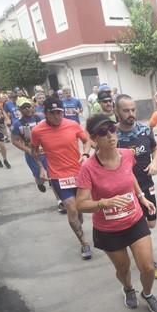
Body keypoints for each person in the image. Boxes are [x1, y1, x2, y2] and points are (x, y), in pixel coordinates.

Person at [75, 115, 157, 312]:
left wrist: (141, 197)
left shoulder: (127, 154)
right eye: (102, 132)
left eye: (112, 129)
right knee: (123, 269)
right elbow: (80, 204)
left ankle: (147, 294)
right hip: (109, 229)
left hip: (134, 219)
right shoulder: (88, 168)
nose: (110, 135)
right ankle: (128, 288)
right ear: (94, 139)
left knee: (148, 267)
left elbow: (129, 176)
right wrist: (103, 203)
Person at [31, 96, 94, 260]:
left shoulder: (72, 125)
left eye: (59, 112)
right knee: (71, 208)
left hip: (79, 172)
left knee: (80, 209)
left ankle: (78, 224)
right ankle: (84, 243)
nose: (57, 116)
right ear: (45, 113)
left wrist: (86, 154)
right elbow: (34, 150)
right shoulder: (38, 131)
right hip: (59, 175)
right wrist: (41, 168)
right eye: (53, 113)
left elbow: (87, 140)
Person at [114, 94, 157, 280]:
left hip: (146, 184)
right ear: (116, 111)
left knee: (151, 222)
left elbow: (156, 148)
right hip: (124, 189)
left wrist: (155, 163)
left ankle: (139, 247)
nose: (130, 114)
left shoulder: (144, 130)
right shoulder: (112, 135)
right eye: (126, 110)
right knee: (139, 224)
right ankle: (148, 259)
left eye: (133, 110)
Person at [10, 99, 49, 192]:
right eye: (24, 107)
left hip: (47, 151)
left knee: (53, 174)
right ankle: (39, 183)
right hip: (32, 155)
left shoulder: (41, 118)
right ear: (19, 109)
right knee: (40, 177)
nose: (27, 109)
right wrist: (27, 150)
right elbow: (14, 140)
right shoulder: (17, 124)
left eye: (29, 106)